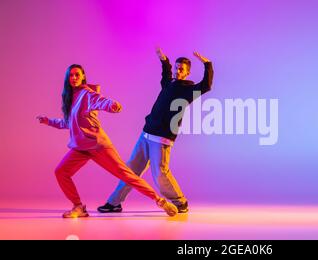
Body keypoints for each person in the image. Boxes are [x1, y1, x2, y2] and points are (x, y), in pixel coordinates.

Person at [37, 64, 178, 218]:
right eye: (71, 75)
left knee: (127, 175)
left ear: (83, 76)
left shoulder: (87, 94)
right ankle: (78, 207)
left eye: (77, 75)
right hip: (80, 148)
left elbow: (101, 101)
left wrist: (112, 106)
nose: (74, 78)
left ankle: (160, 201)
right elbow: (68, 123)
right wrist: (48, 121)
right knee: (61, 172)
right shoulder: (71, 98)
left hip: (98, 146)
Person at [98, 48, 213, 214]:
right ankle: (114, 203)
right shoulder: (168, 84)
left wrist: (207, 64)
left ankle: (180, 202)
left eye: (181, 69)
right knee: (130, 171)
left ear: (187, 73)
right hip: (146, 134)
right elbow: (165, 76)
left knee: (160, 174)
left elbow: (206, 85)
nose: (177, 71)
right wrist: (164, 61)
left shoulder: (189, 91)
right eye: (176, 67)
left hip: (162, 138)